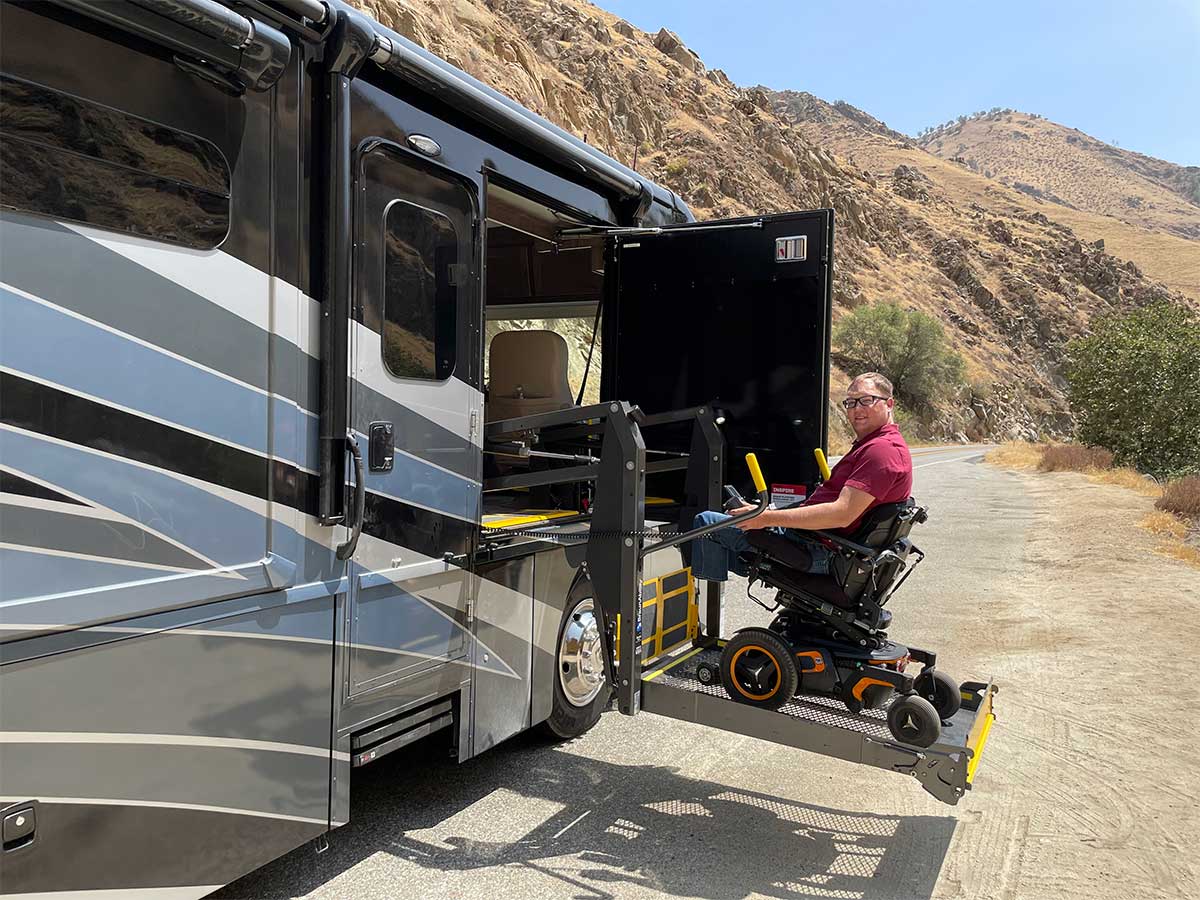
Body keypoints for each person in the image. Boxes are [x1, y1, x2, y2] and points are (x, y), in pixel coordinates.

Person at [689, 372, 913, 582]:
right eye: (851, 402)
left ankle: (704, 606)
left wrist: (765, 518)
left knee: (706, 524)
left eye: (866, 400)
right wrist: (769, 513)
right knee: (733, 524)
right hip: (820, 539)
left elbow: (843, 514)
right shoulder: (876, 445)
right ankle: (747, 560)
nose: (856, 409)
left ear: (889, 403)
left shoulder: (882, 451)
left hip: (819, 548)